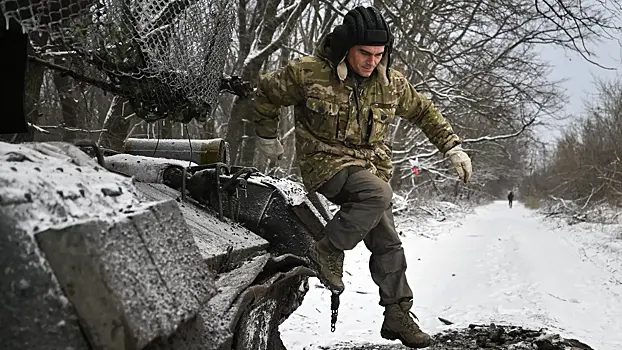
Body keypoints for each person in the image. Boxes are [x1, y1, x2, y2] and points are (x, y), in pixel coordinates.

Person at [252, 6, 472, 348]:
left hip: (371, 170)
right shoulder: (309, 74)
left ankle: (397, 314)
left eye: (379, 55)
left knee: (388, 241)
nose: (372, 62)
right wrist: (267, 135)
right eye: (364, 54)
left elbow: (425, 113)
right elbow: (266, 92)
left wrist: (452, 148)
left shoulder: (390, 83)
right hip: (325, 165)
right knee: (378, 195)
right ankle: (326, 249)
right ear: (346, 48)